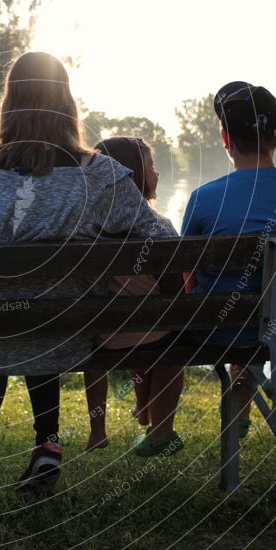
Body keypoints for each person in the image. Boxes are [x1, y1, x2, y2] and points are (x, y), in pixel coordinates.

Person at [0, 52, 175, 492]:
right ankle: (47, 446)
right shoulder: (101, 174)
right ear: (67, 105)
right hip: (62, 331)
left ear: (10, 104)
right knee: (46, 311)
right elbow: (163, 242)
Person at [181, 81, 276, 436]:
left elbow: (188, 278)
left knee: (238, 318)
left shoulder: (203, 199)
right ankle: (244, 408)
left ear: (225, 139)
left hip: (220, 331)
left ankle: (238, 413)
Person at [84, 137, 185, 456]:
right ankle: (160, 429)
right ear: (134, 176)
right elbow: (175, 288)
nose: (158, 173)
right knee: (168, 345)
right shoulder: (159, 226)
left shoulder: (88, 228)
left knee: (128, 329)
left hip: (104, 336)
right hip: (156, 335)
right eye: (153, 166)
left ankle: (99, 430)